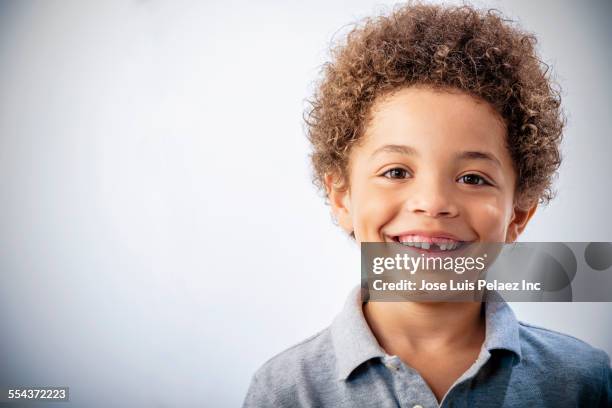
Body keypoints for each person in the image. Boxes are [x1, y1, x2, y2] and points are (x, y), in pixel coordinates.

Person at [243, 2, 612, 407]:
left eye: (472, 178)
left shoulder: (582, 382)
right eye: (397, 172)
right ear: (342, 196)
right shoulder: (286, 391)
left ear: (517, 215)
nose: (433, 204)